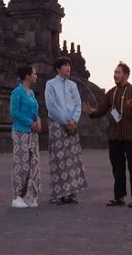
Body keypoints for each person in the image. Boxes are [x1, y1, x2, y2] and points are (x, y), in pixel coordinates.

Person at [85, 61, 132, 208]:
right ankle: (118, 197)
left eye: (118, 72)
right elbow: (102, 109)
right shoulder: (111, 93)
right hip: (115, 135)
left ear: (126, 75)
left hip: (131, 135)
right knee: (117, 167)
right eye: (114, 72)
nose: (115, 75)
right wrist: (92, 112)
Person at [44, 56, 88, 205]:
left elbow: (78, 104)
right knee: (58, 159)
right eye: (65, 65)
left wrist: (74, 121)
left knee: (71, 159)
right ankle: (57, 194)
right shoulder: (50, 84)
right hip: (58, 124)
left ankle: (69, 193)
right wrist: (65, 121)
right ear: (58, 69)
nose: (68, 68)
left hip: (72, 125)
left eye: (69, 65)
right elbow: (51, 105)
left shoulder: (73, 85)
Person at [9, 64, 42, 208]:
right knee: (21, 164)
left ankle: (30, 195)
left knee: (33, 163)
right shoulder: (17, 92)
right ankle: (17, 196)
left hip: (32, 133)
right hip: (21, 131)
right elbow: (14, 112)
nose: (36, 76)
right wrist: (30, 123)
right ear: (27, 76)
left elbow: (35, 111)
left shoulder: (31, 93)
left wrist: (38, 122)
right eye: (34, 73)